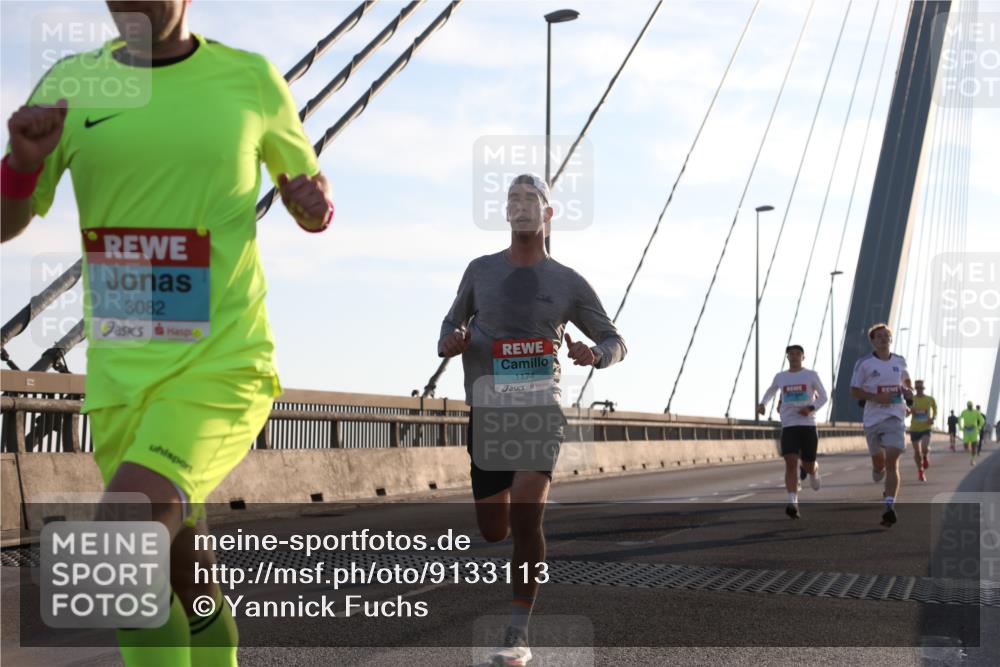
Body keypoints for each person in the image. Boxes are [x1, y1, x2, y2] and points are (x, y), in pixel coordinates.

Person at [1, 3, 333, 666]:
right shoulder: (73, 82)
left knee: (123, 539)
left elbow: (311, 196)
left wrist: (311, 205)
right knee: (188, 581)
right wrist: (21, 162)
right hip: (121, 382)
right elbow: (6, 221)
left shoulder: (252, 80)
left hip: (221, 366)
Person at [438, 173, 626, 666]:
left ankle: (518, 632)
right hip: (487, 414)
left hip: (539, 412)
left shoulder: (568, 282)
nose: (522, 206)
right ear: (506, 213)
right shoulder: (480, 271)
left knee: (526, 515)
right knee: (494, 529)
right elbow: (449, 322)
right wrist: (451, 340)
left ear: (548, 215)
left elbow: (616, 340)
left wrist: (593, 353)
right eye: (513, 199)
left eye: (532, 200)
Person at [849, 324, 912, 527]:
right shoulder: (864, 363)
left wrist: (908, 392)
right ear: (873, 341)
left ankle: (889, 506)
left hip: (895, 417)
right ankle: (878, 470)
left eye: (887, 336)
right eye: (879, 336)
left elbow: (906, 381)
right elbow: (855, 391)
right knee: (880, 463)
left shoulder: (900, 361)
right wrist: (876, 397)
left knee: (892, 460)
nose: (884, 338)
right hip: (873, 419)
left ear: (891, 339)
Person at [757, 345, 827, 519]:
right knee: (790, 462)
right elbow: (771, 391)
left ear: (803, 357)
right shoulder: (781, 377)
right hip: (789, 425)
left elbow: (824, 396)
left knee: (808, 464)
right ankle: (792, 501)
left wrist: (810, 407)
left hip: (808, 424)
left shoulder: (811, 375)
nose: (794, 356)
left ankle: (814, 471)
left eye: (798, 354)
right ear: (787, 357)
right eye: (791, 354)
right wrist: (763, 404)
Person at [906, 380, 937, 482]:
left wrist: (933, 418)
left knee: (924, 448)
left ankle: (925, 457)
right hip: (914, 428)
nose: (919, 390)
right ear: (915, 389)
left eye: (921, 388)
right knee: (917, 452)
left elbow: (935, 408)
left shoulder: (929, 399)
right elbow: (907, 413)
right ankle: (920, 471)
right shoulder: (912, 399)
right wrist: (910, 410)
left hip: (926, 428)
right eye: (917, 388)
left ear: (923, 389)